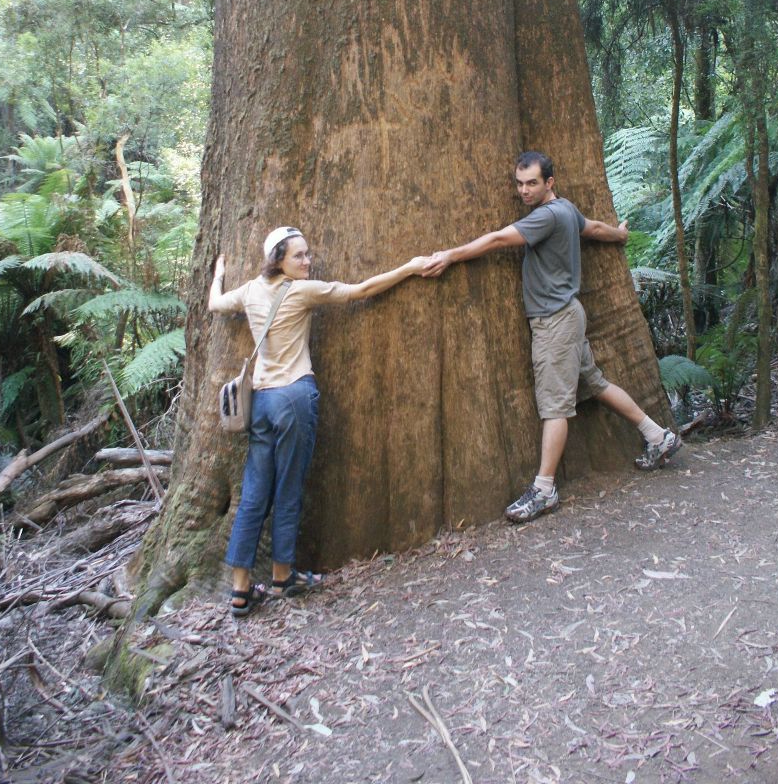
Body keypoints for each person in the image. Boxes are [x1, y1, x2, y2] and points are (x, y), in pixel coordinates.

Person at [422, 151, 681, 523]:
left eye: (532, 183)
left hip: (554, 322)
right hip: (568, 316)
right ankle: (658, 436)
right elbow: (593, 229)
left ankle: (544, 489)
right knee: (594, 382)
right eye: (519, 183)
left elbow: (497, 240)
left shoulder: (545, 217)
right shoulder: (567, 210)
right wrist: (620, 235)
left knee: (555, 405)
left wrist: (450, 255)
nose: (524, 191)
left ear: (549, 183)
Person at [209, 226, 431, 617]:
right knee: (289, 488)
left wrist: (218, 273)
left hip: (260, 403)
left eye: (307, 254)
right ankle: (282, 577)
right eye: (300, 256)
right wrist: (409, 267)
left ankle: (240, 589)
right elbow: (360, 290)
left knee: (254, 494)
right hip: (293, 397)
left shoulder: (249, 291)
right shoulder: (301, 291)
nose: (308, 261)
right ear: (278, 259)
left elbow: (215, 304)